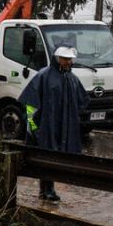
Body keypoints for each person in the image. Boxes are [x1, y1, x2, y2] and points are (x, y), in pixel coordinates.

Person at [18, 44, 89, 202]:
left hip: (63, 126)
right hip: (46, 126)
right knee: (47, 156)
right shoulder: (44, 76)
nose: (68, 62)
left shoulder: (71, 78)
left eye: (70, 59)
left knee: (56, 156)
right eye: (65, 59)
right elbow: (31, 104)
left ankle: (47, 190)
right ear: (58, 58)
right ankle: (47, 190)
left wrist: (74, 121)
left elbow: (81, 101)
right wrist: (33, 127)